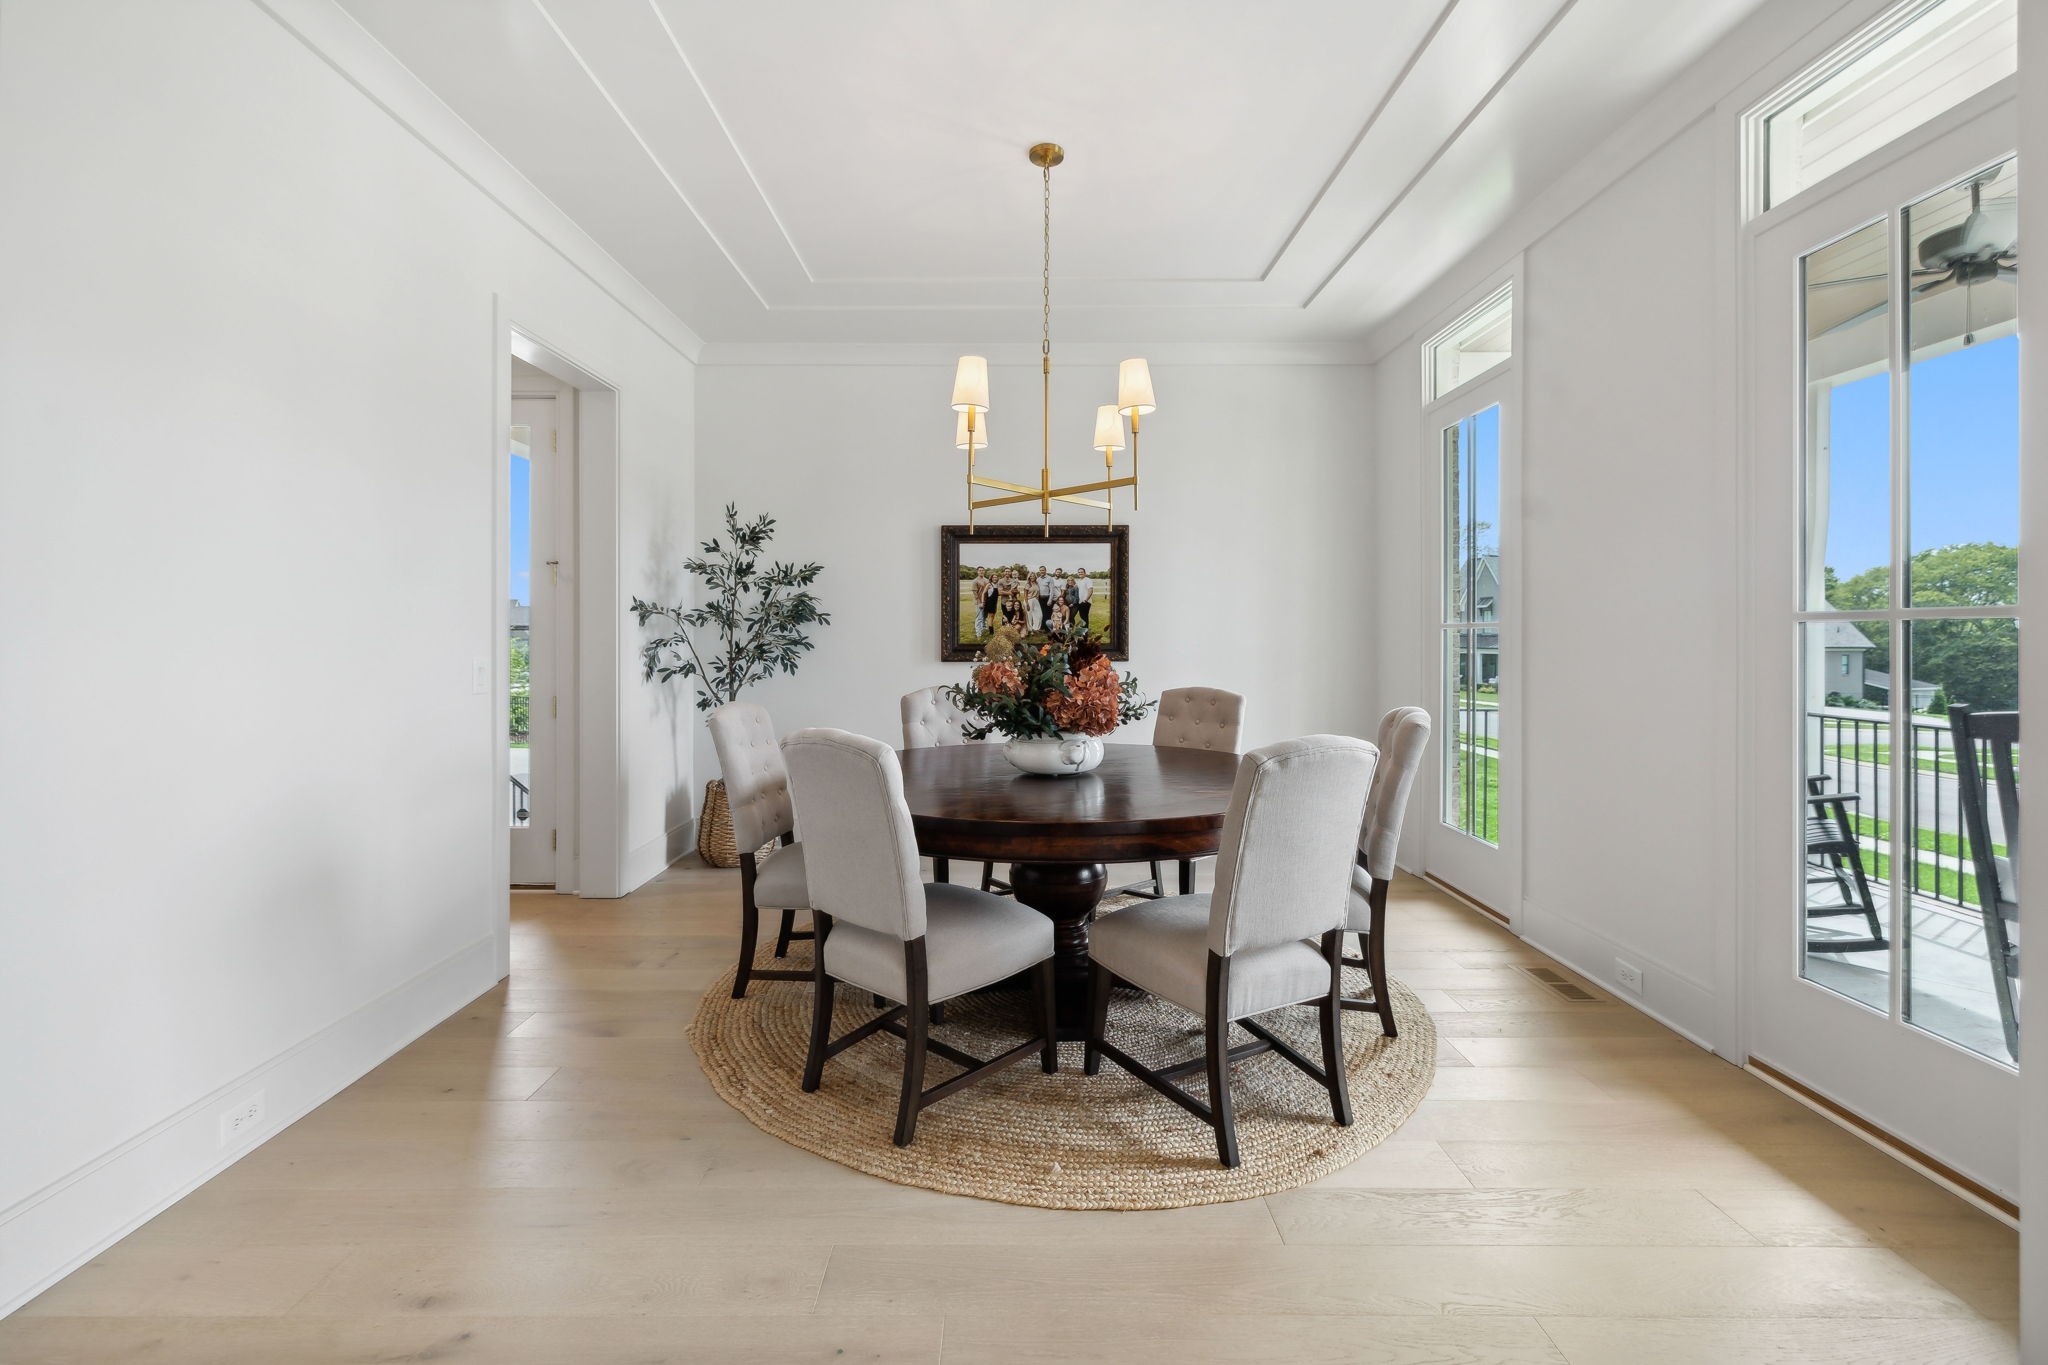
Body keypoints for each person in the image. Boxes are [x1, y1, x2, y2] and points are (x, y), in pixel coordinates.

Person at [970, 569, 989, 638]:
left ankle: (984, 630)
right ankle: (978, 634)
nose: (981, 571)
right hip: (979, 602)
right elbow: (975, 594)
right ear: (977, 572)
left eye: (983, 570)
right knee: (979, 618)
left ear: (984, 571)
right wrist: (979, 602)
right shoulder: (975, 581)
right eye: (980, 570)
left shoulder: (987, 580)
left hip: (986, 601)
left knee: (985, 617)